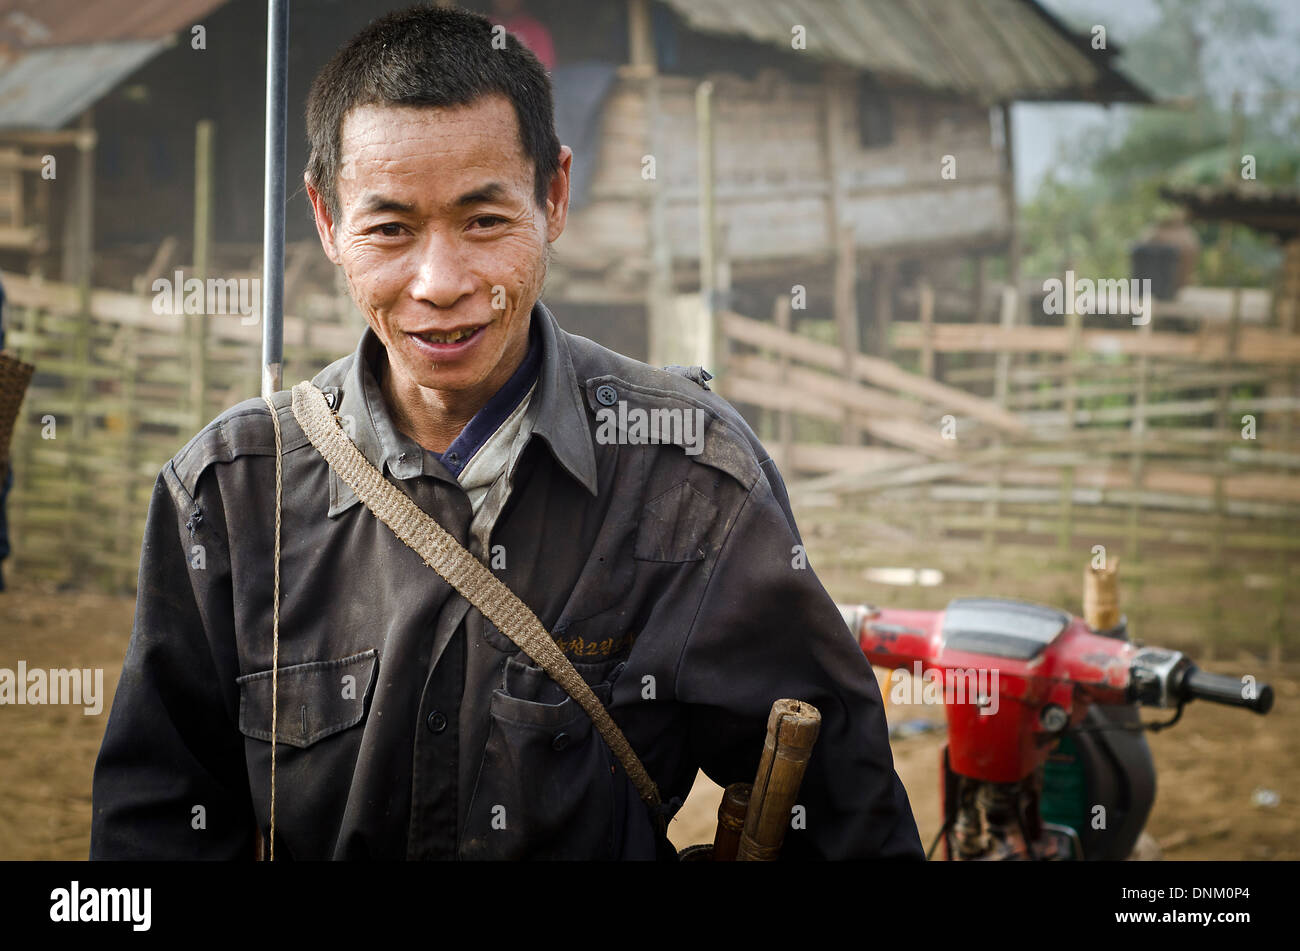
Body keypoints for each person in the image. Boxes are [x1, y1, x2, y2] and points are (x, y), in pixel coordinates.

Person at [90, 5, 922, 860]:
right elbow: (154, 827)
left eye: (485, 220)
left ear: (554, 195)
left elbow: (843, 810)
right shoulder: (229, 496)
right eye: (390, 228)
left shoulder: (690, 481)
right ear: (326, 220)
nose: (441, 282)